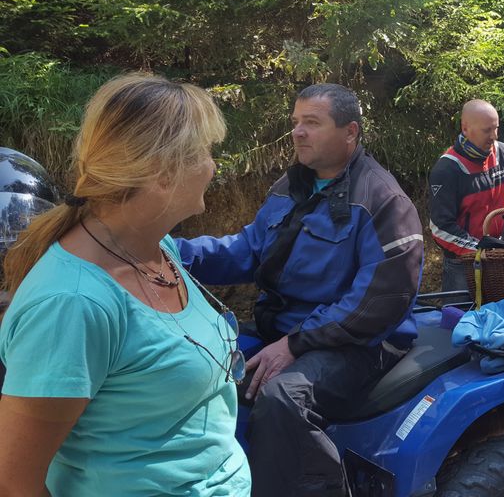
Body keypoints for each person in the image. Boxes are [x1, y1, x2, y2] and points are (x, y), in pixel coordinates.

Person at [0, 74, 251, 496]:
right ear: (162, 175)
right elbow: (15, 482)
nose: (212, 167)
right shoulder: (72, 304)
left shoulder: (155, 246)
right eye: (204, 153)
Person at [176, 83, 424, 496]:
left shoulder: (383, 200)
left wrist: (295, 343)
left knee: (283, 397)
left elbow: (379, 302)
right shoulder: (290, 187)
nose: (298, 132)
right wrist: (171, 252)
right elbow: (247, 250)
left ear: (350, 132)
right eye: (295, 122)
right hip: (285, 331)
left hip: (361, 343)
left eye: (312, 122)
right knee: (198, 360)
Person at [428, 99, 504, 294]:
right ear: (465, 129)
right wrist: (479, 249)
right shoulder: (447, 169)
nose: (494, 136)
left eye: (496, 128)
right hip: (462, 265)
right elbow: (440, 228)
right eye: (487, 130)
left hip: (502, 258)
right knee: (461, 313)